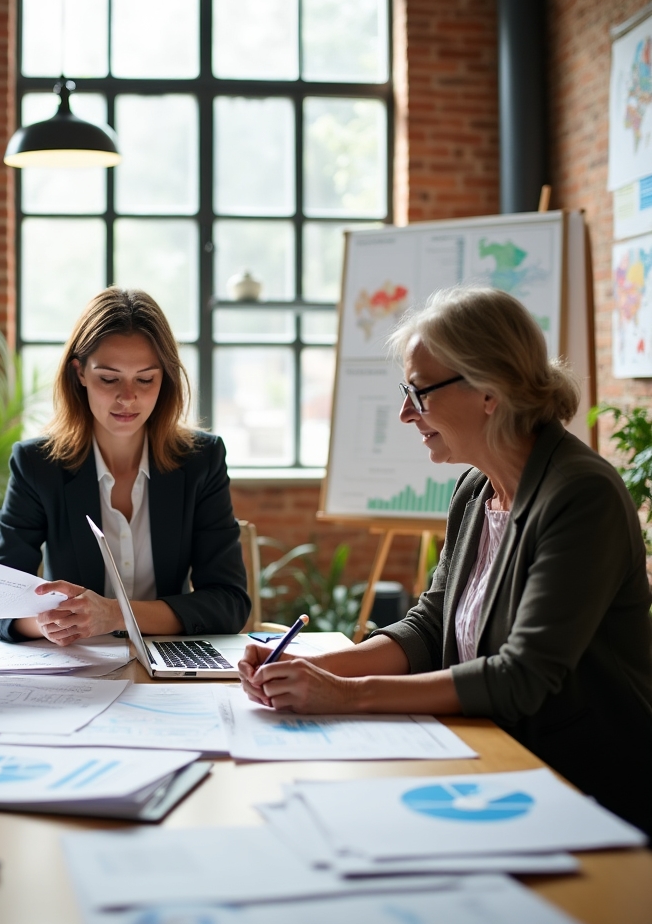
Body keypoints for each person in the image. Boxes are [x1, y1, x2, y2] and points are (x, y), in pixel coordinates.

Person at [239, 287, 652, 833]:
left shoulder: (581, 495)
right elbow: (430, 627)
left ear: (489, 391)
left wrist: (346, 695)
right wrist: (308, 671)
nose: (406, 413)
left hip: (581, 788)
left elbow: (521, 676)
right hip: (494, 765)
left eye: (420, 392)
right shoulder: (476, 490)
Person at [0, 287, 250, 645]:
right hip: (78, 663)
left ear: (165, 378)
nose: (128, 397)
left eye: (145, 379)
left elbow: (229, 603)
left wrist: (113, 615)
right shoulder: (37, 465)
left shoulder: (202, 460)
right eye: (109, 379)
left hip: (168, 660)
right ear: (79, 373)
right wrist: (47, 623)